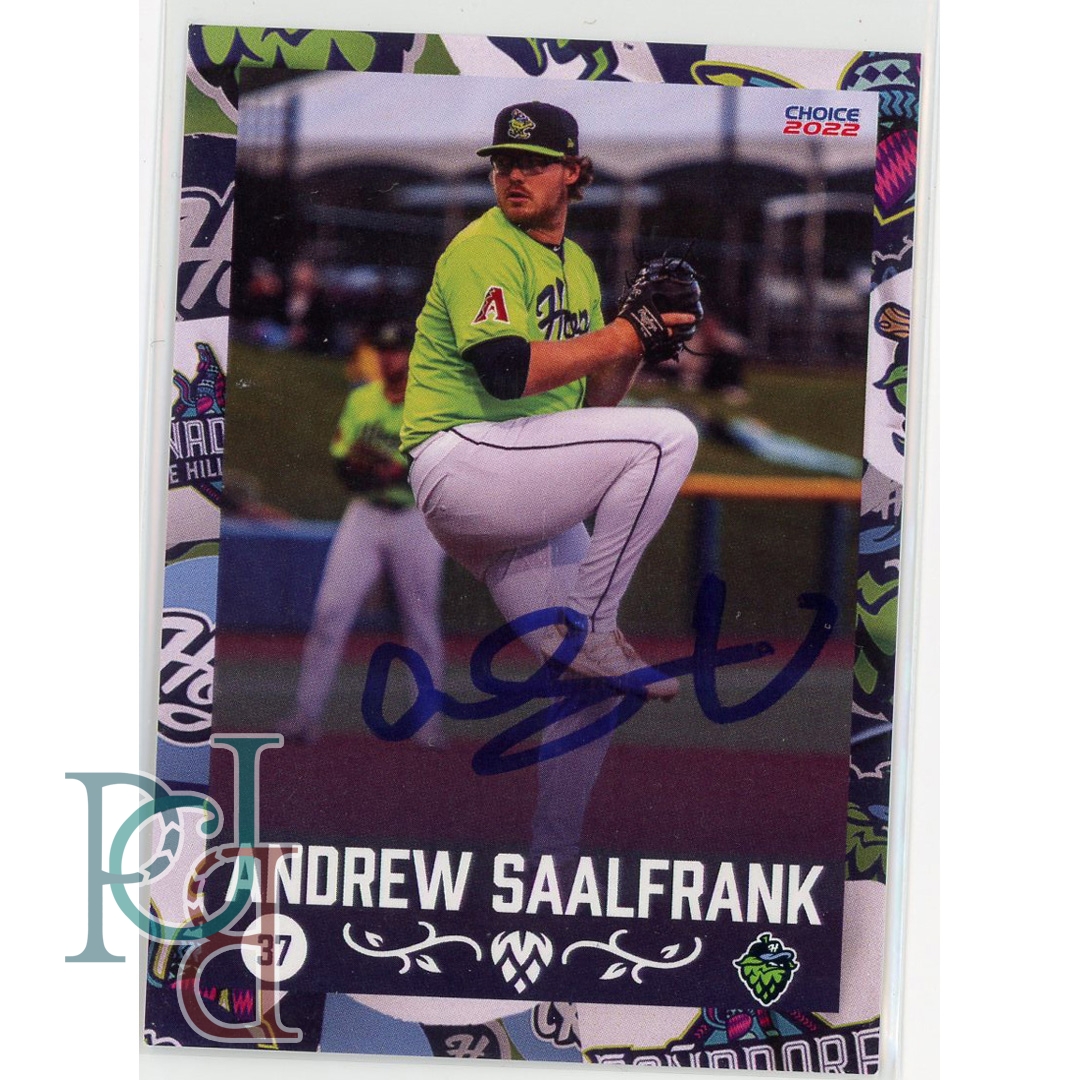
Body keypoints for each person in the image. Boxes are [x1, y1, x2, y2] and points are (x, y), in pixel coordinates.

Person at [400, 101, 700, 704]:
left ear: (573, 171)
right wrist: (622, 335)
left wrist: (635, 348)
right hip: (463, 459)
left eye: (533, 163)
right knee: (671, 435)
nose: (514, 175)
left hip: (520, 478)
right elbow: (507, 371)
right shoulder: (483, 247)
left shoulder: (579, 266)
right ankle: (594, 625)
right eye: (504, 162)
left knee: (591, 689)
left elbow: (590, 411)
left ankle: (584, 653)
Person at [282, 321, 446, 744]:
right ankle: (305, 716)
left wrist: (393, 469)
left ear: (413, 353)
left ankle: (427, 725)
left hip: (416, 518)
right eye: (383, 350)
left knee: (421, 621)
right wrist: (370, 469)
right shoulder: (362, 399)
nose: (390, 358)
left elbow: (438, 468)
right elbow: (342, 463)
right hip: (366, 513)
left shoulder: (432, 401)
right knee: (329, 612)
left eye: (397, 350)